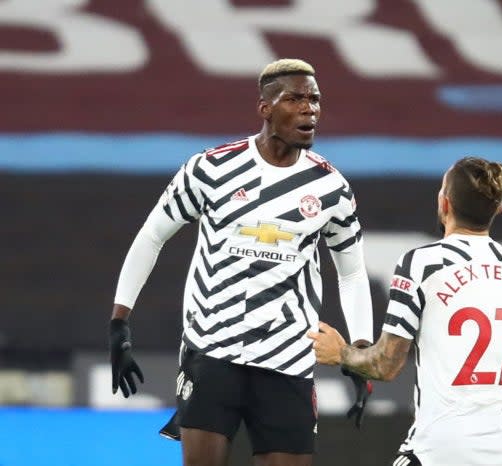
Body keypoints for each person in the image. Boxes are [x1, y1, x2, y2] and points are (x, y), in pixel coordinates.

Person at [108, 58, 374, 466]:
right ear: (265, 108)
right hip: (212, 352)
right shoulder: (210, 168)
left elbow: (352, 272)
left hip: (288, 358)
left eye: (315, 100)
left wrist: (359, 351)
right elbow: (152, 235)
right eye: (296, 99)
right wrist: (119, 323)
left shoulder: (331, 188)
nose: (310, 109)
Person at [309, 157, 502, 466]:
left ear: (443, 203)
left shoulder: (423, 264)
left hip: (440, 447)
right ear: (497, 209)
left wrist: (341, 353)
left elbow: (386, 365)